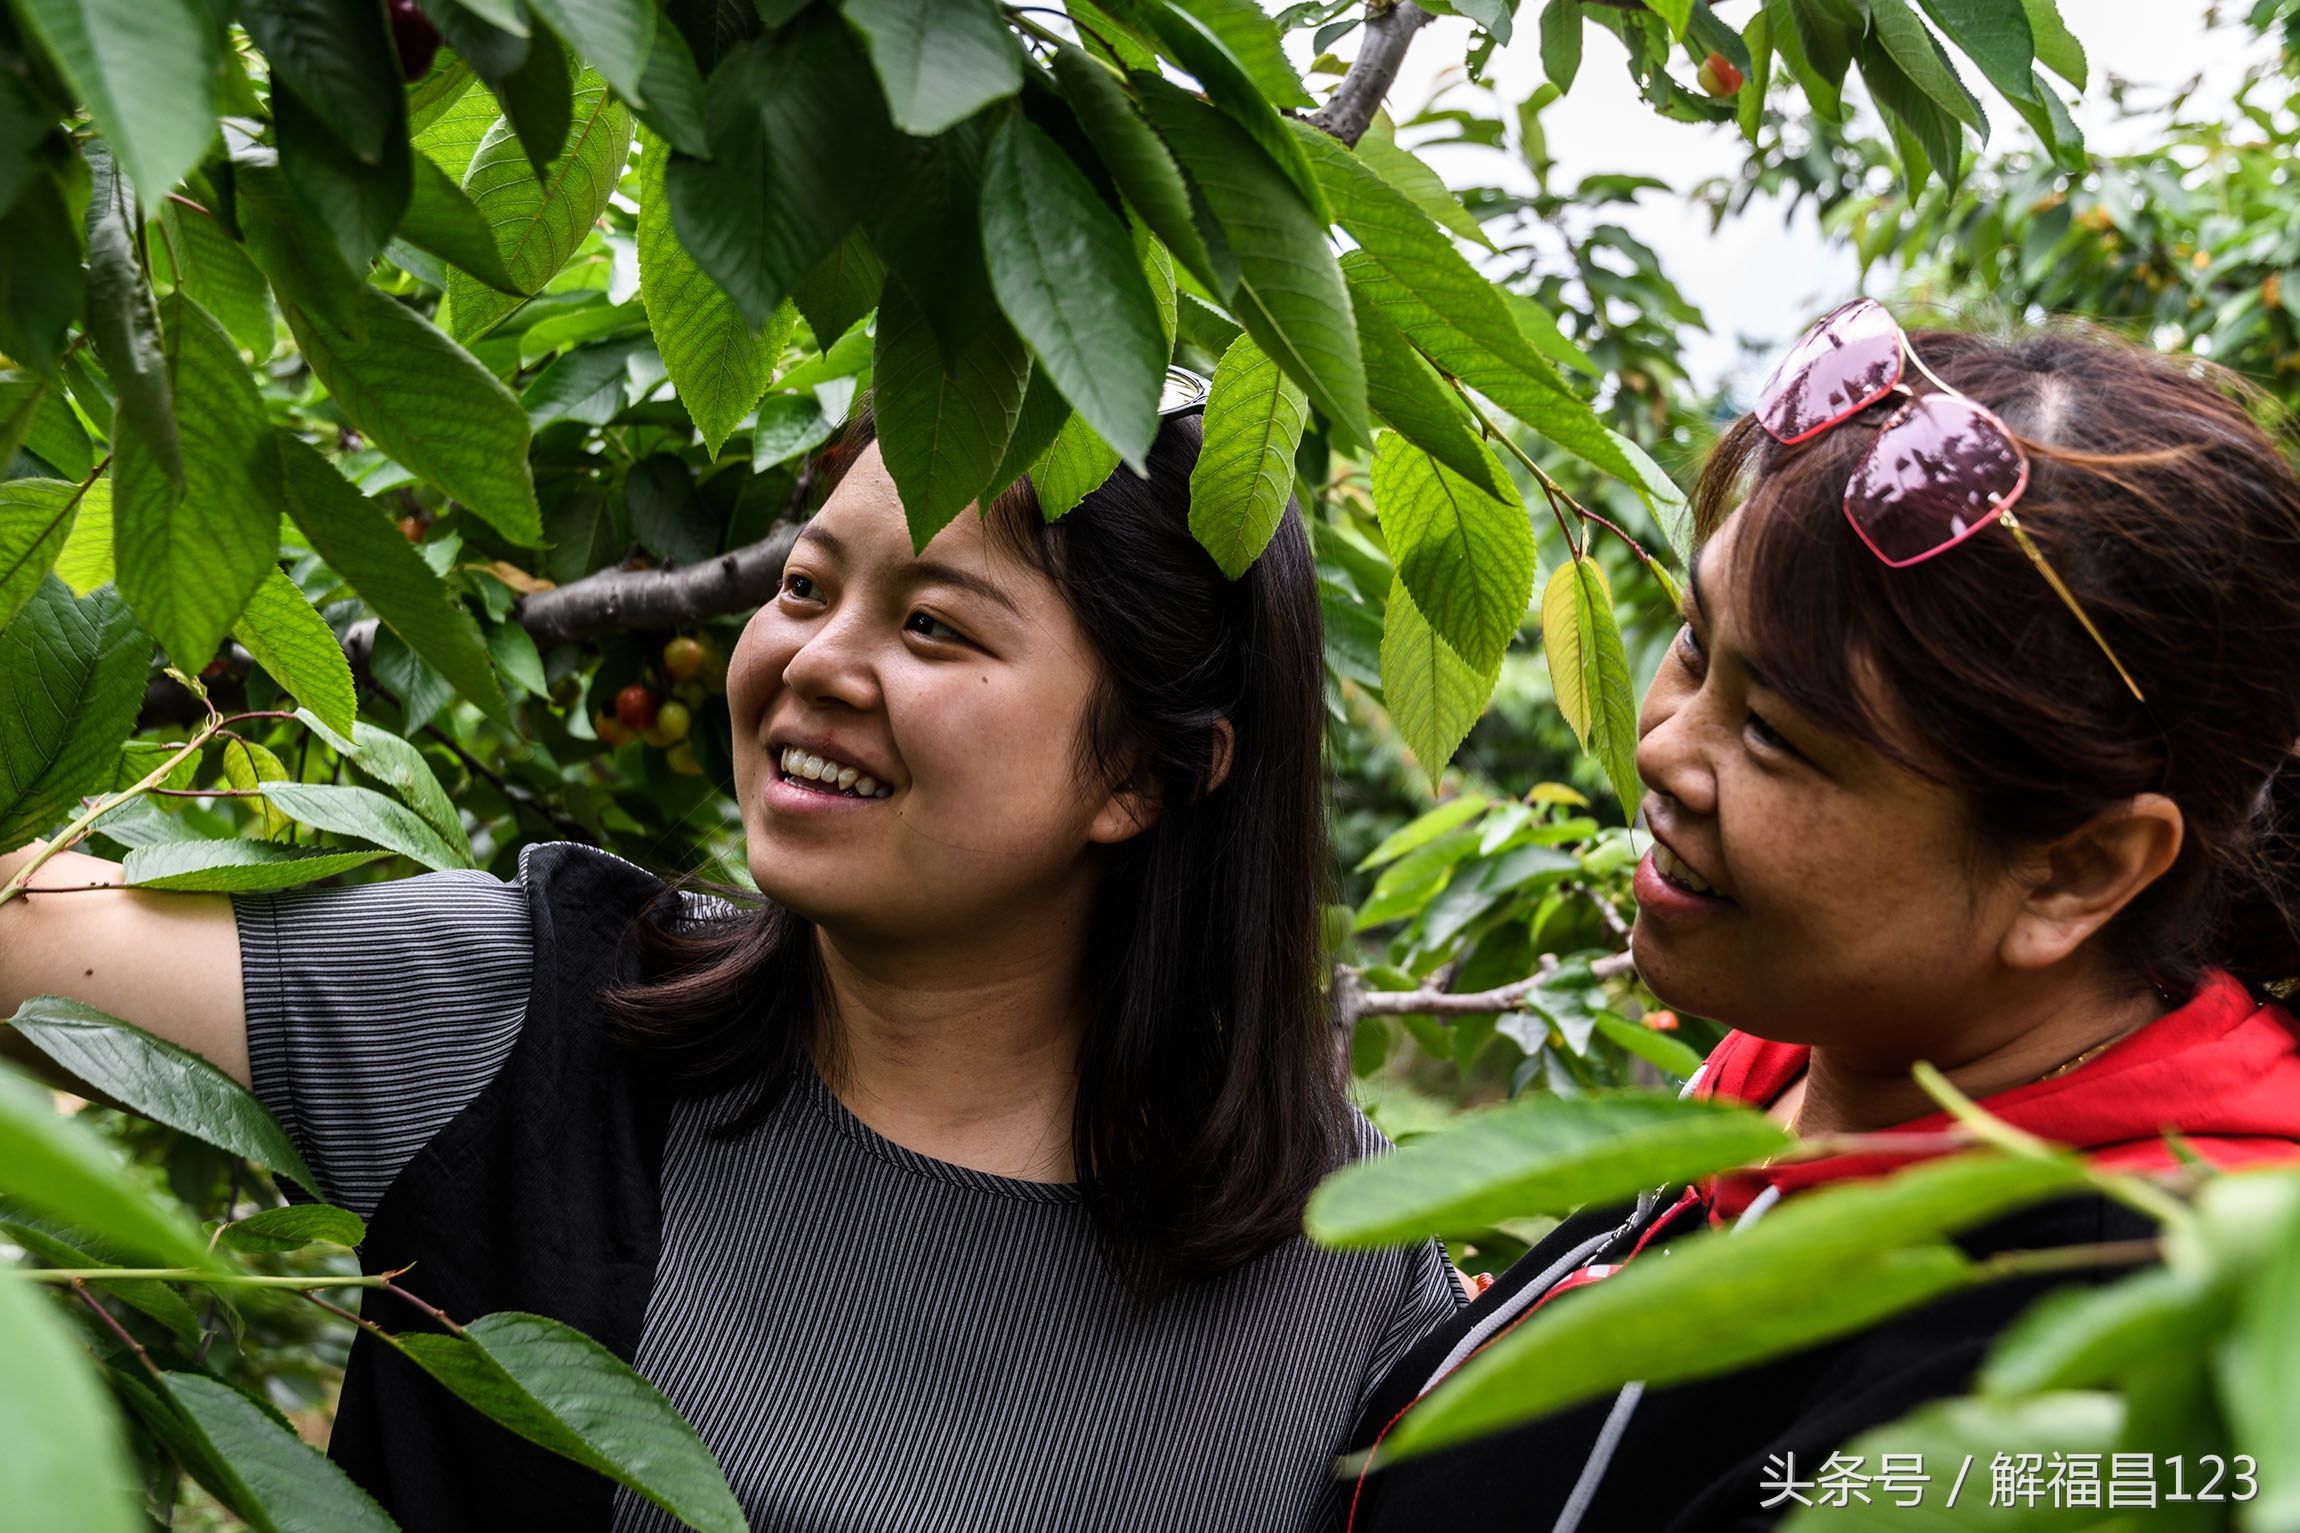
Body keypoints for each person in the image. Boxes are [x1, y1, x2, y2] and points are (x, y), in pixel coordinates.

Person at [1, 386, 1462, 1531]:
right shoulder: (532, 1015)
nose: (818, 661)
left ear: (1146, 772)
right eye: (811, 587)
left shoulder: (1352, 1291)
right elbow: (27, 942)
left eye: (937, 626)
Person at [1339, 305, 2300, 1530]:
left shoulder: (2101, 1350)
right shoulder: (1809, 1071)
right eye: (1694, 645)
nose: (1663, 749)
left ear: (2075, 871)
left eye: (1777, 737)